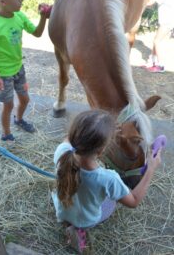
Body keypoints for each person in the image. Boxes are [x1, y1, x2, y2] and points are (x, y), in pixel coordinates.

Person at [51, 109, 162, 254]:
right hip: (86, 219)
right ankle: (79, 232)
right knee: (112, 200)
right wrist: (151, 169)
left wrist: (102, 131)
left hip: (62, 209)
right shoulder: (108, 178)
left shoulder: (62, 152)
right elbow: (133, 201)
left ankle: (67, 220)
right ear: (101, 150)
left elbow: (70, 138)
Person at [0, 0, 51, 142]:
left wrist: (43, 17)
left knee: (25, 99)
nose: (21, 0)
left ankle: (19, 120)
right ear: (2, 1)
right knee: (8, 105)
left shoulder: (19, 17)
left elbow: (37, 33)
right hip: (3, 75)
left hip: (19, 69)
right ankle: (6, 134)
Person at [146, 0, 174, 73]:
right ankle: (151, 61)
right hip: (170, 21)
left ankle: (161, 65)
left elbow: (150, 3)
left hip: (166, 21)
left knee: (157, 41)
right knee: (157, 40)